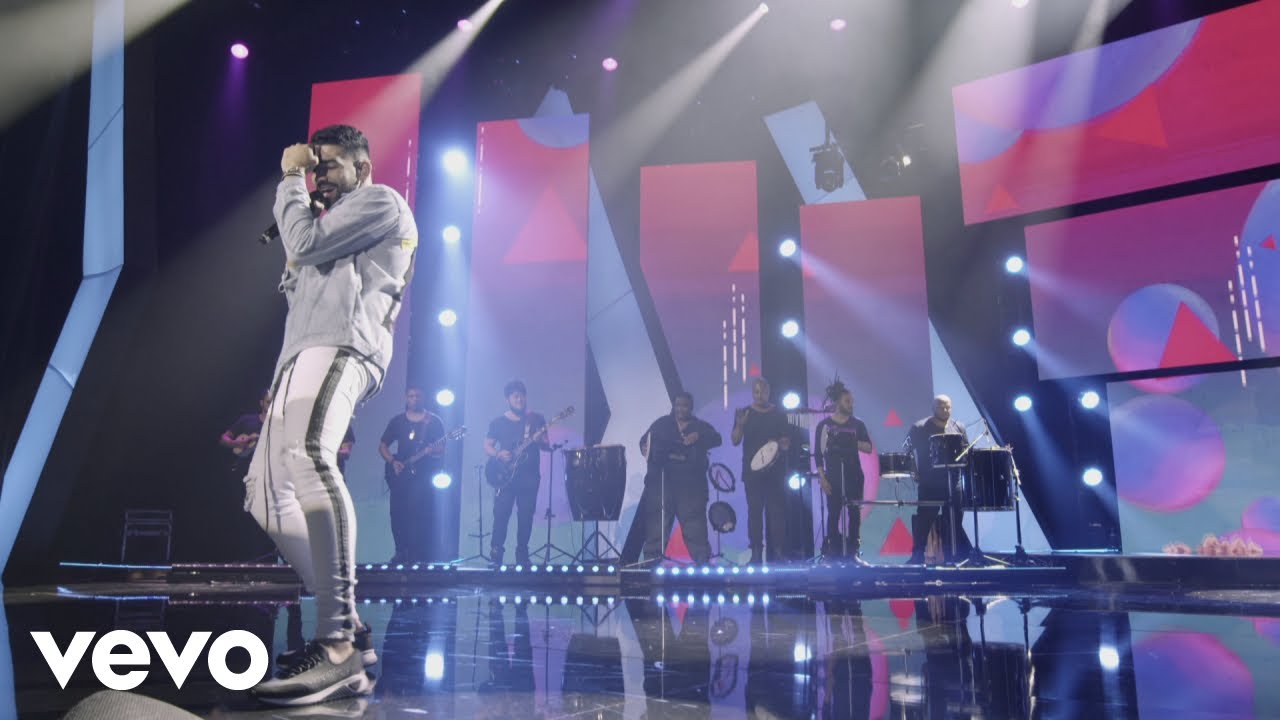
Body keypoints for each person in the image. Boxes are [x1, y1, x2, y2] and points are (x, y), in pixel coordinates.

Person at [243, 124, 417, 706]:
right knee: (264, 495)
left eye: (329, 166)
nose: (319, 177)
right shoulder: (325, 218)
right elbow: (303, 259)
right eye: (313, 168)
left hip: (342, 343)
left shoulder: (381, 201)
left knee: (311, 458)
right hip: (298, 355)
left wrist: (290, 178)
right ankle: (354, 629)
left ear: (361, 168)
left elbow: (306, 244)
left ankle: (337, 642)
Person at [639, 391, 722, 565]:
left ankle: (702, 564)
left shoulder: (700, 426)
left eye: (684, 405)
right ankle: (651, 564)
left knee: (694, 527)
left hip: (691, 488)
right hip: (663, 485)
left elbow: (717, 439)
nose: (680, 409)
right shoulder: (662, 424)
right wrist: (645, 447)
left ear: (691, 407)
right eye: (678, 405)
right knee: (658, 525)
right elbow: (645, 441)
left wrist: (699, 436)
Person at [484, 380, 548, 568]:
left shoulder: (536, 419)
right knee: (501, 514)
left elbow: (546, 444)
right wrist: (498, 454)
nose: (520, 399)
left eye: (522, 396)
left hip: (529, 477)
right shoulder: (498, 422)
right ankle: (496, 554)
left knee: (526, 516)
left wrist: (539, 440)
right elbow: (487, 445)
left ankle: (522, 555)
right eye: (515, 396)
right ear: (508, 399)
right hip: (505, 477)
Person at [378, 387, 445, 563]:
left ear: (424, 398)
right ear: (406, 398)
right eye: (411, 396)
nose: (415, 399)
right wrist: (393, 461)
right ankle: (400, 551)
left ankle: (417, 553)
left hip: (423, 475)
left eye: (418, 396)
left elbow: (441, 448)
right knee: (397, 512)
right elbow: (383, 446)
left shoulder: (434, 421)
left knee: (418, 512)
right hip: (400, 474)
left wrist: (431, 450)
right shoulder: (397, 421)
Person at [731, 376, 793, 564]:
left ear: (769, 392)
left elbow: (787, 443)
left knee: (777, 513)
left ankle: (779, 554)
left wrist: (780, 443)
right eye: (756, 392)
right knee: (755, 514)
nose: (760, 395)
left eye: (763, 391)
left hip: (775, 473)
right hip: (752, 473)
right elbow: (735, 440)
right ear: (752, 393)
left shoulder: (778, 414)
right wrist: (740, 425)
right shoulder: (744, 413)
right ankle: (756, 555)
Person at [905, 395, 972, 565]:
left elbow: (966, 452)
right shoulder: (920, 427)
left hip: (953, 483)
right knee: (924, 522)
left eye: (948, 407)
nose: (945, 410)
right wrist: (914, 471)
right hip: (929, 483)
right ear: (933, 408)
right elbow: (907, 450)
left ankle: (953, 558)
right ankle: (917, 557)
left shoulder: (958, 427)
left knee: (954, 522)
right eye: (941, 407)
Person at [813, 380, 873, 563]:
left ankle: (853, 553)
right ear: (838, 402)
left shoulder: (858, 424)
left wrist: (851, 441)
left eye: (852, 401)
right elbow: (818, 454)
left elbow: (868, 447)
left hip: (854, 476)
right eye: (847, 401)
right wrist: (822, 478)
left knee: (854, 514)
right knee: (833, 514)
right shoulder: (824, 425)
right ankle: (833, 552)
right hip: (833, 477)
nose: (851, 404)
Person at [220, 390, 270, 471]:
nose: (271, 405)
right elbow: (224, 438)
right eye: (268, 402)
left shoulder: (277, 426)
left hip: (264, 470)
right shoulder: (247, 419)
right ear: (261, 403)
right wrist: (235, 443)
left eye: (273, 402)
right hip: (242, 470)